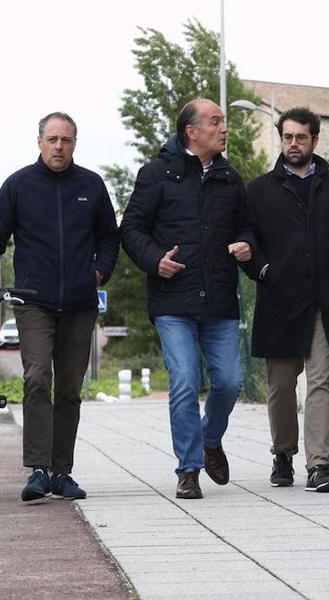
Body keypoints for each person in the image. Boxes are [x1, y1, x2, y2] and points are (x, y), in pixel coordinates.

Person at [0, 111, 120, 502]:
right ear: (39, 142)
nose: (58, 146)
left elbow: (109, 238)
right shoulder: (18, 186)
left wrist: (100, 272)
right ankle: (38, 469)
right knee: (37, 376)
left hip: (80, 303)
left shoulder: (91, 185)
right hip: (33, 301)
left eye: (65, 140)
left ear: (74, 144)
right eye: (52, 139)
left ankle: (61, 472)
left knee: (70, 388)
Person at [119, 98, 253, 499]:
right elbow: (131, 231)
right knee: (184, 382)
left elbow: (247, 227)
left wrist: (247, 243)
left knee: (229, 381)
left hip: (219, 299)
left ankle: (211, 439)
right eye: (216, 122)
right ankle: (189, 468)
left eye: (223, 121)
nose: (224, 128)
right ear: (191, 132)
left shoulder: (231, 178)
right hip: (172, 300)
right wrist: (153, 260)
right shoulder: (155, 174)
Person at [243, 107, 329, 493]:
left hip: (325, 300)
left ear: (315, 140)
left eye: (301, 137)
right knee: (282, 387)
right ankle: (283, 454)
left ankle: (319, 465)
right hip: (280, 301)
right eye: (287, 137)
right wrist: (264, 271)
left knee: (321, 382)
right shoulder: (258, 190)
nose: (293, 144)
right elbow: (246, 241)